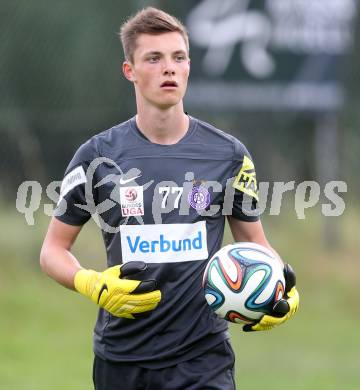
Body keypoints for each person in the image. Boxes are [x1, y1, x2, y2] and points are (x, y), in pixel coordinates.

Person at [40, 7, 299, 390]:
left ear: (189, 66)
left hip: (202, 359)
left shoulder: (228, 155)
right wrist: (90, 282)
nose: (169, 68)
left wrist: (280, 287)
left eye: (178, 57)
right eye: (154, 58)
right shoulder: (96, 156)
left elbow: (255, 243)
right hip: (122, 358)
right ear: (130, 70)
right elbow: (52, 251)